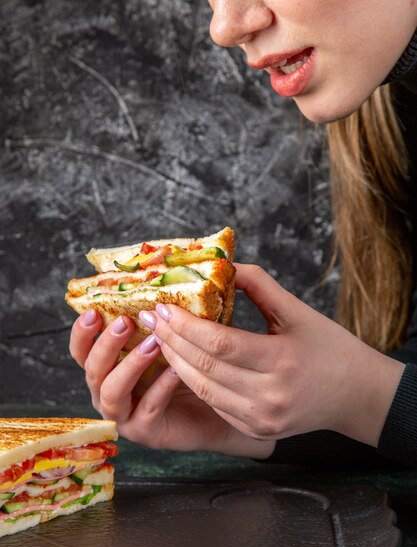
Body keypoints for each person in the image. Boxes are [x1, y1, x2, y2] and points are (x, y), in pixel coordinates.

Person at [69, 1, 417, 469]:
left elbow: (385, 395)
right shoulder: (395, 108)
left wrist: (364, 394)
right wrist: (248, 416)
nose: (225, 27)